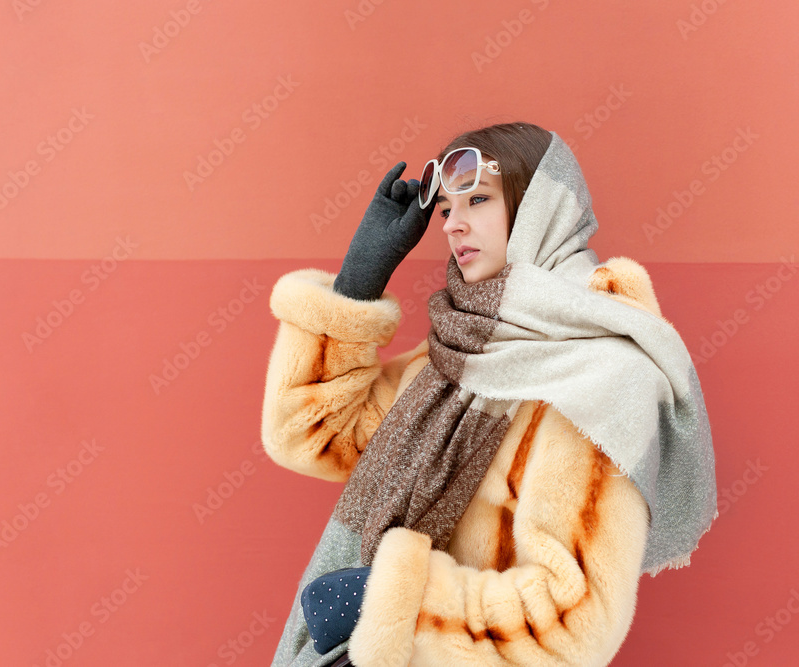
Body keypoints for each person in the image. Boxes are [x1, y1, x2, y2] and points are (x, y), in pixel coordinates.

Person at [261, 122, 717, 666]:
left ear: (537, 209)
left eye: (478, 199)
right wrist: (358, 282)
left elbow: (571, 623)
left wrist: (391, 598)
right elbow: (309, 435)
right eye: (448, 209)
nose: (454, 225)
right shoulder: (456, 357)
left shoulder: (603, 382)